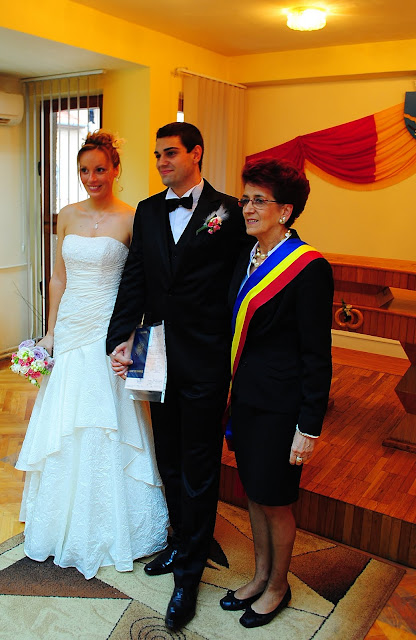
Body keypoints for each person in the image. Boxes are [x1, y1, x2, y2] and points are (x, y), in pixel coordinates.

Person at [107, 122, 252, 630]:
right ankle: (179, 539)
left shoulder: (229, 211)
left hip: (206, 356)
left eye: (170, 153)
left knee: (199, 464)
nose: (162, 162)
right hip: (154, 352)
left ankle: (189, 574)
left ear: (196, 153)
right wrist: (120, 338)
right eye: (157, 155)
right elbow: (136, 277)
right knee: (168, 455)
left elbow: (239, 283)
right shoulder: (148, 211)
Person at [16, 130, 168, 580]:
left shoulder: (132, 217)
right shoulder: (66, 214)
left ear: (115, 169)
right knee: (65, 419)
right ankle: (59, 520)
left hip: (109, 330)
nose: (92, 177)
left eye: (100, 169)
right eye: (84, 170)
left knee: (108, 420)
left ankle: (113, 522)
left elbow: (140, 282)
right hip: (70, 327)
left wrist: (133, 337)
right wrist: (50, 332)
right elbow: (59, 277)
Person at [219, 158, 333, 628]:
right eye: (245, 199)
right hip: (245, 399)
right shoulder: (246, 257)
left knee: (276, 499)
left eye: (258, 201)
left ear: (285, 211)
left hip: (282, 407)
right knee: (253, 492)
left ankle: (278, 586)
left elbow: (317, 355)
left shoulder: (309, 268)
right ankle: (260, 575)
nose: (247, 208)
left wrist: (309, 426)